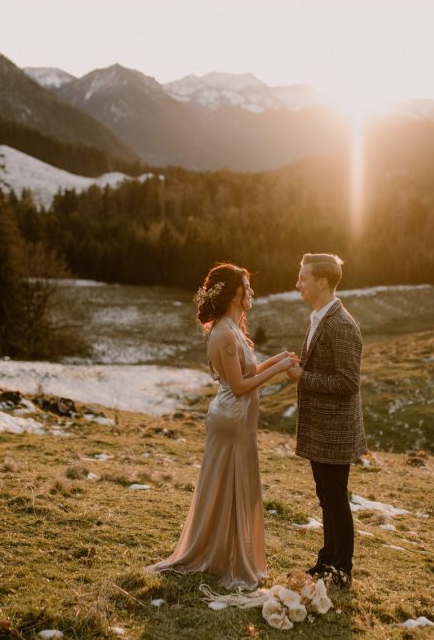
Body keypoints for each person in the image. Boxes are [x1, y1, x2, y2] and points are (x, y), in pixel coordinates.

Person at [149, 263, 295, 590]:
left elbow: (247, 373)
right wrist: (281, 368)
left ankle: (225, 553)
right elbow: (241, 385)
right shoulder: (226, 334)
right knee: (231, 487)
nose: (252, 292)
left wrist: (278, 359)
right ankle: (220, 558)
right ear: (234, 294)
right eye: (247, 286)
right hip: (232, 418)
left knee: (234, 487)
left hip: (236, 418)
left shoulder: (230, 327)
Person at [287, 253, 367, 588]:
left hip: (336, 430)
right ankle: (326, 559)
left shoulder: (342, 324)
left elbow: (349, 382)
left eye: (303, 278)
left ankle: (342, 569)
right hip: (322, 427)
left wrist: (303, 376)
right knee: (325, 494)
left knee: (335, 496)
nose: (297, 284)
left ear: (322, 282)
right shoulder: (319, 317)